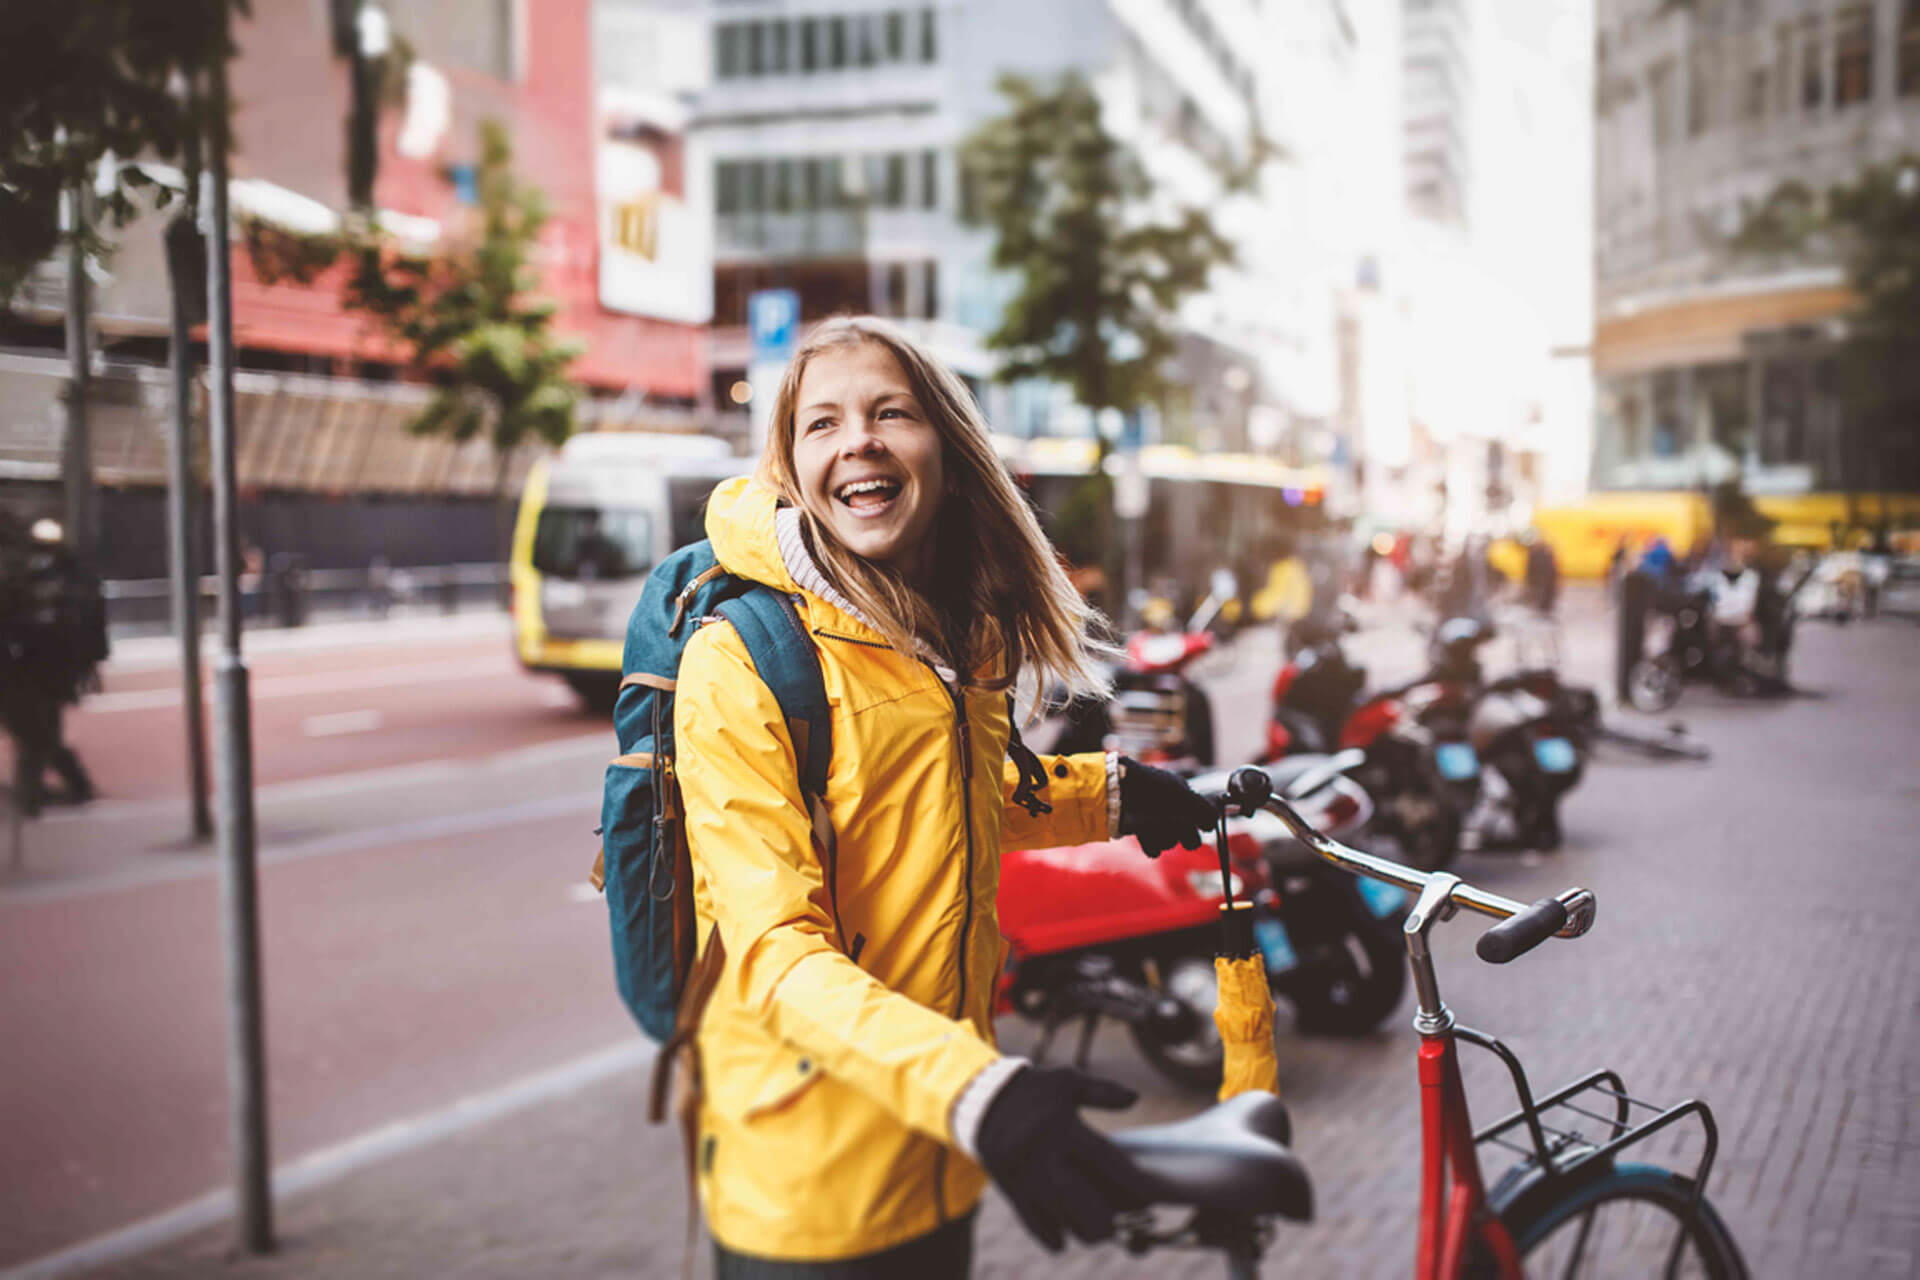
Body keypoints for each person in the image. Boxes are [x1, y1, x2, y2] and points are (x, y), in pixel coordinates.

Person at [670, 317, 1219, 1276]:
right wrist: (981, 1093)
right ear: (793, 471)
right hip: (812, 1191)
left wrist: (1115, 797)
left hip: (939, 1153)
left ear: (951, 452)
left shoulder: (962, 637)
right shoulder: (744, 657)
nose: (860, 442)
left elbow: (940, 802)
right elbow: (773, 950)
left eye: (892, 412)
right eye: (823, 424)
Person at [0, 518, 104, 816]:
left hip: (40, 667)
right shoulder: (23, 577)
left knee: (37, 734)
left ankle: (35, 793)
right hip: (26, 667)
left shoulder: (61, 578)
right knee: (36, 733)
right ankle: (51, 788)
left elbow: (84, 622)